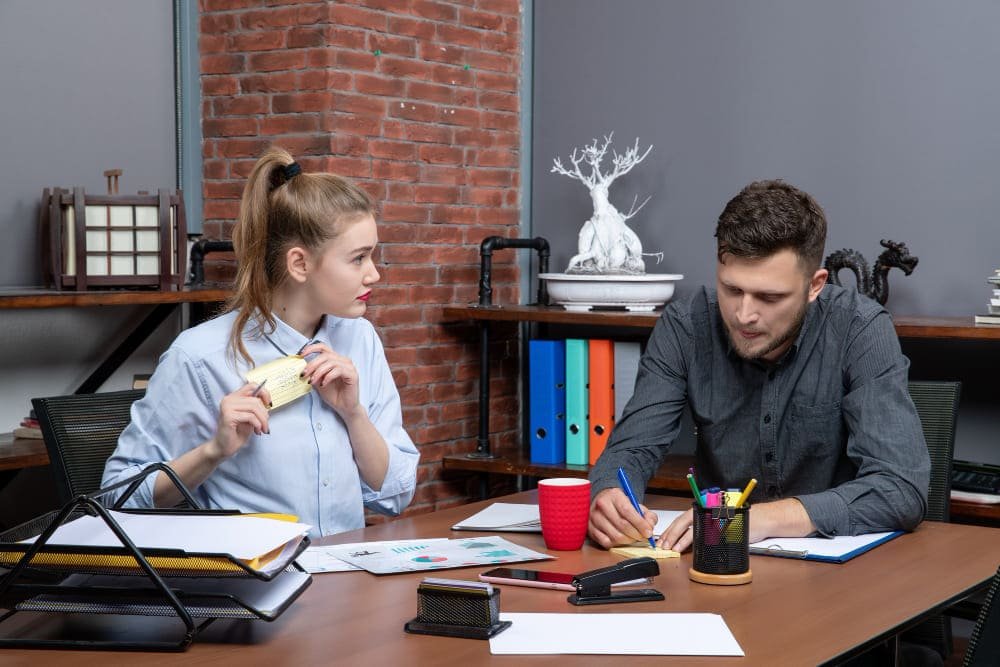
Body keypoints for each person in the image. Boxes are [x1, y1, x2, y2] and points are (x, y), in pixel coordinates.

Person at [587, 179, 930, 553]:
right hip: (718, 566)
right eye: (731, 289)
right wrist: (610, 495)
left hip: (840, 581)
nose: (744, 314)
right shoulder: (685, 326)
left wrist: (762, 518)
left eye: (769, 297)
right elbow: (631, 450)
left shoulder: (859, 328)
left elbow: (900, 488)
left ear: (815, 285)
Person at [102, 147, 419, 537]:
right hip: (253, 587)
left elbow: (395, 496)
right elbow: (116, 498)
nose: (374, 275)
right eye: (359, 258)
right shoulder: (200, 356)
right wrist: (213, 451)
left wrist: (354, 415)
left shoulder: (360, 339)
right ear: (300, 264)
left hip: (345, 572)